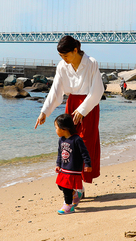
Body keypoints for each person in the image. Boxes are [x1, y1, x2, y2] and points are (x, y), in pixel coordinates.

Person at [35, 35, 104, 196]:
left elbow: (98, 90)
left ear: (75, 50)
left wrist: (83, 109)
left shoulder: (91, 63)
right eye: (60, 56)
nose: (63, 59)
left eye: (66, 55)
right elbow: (56, 90)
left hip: (89, 105)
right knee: (70, 145)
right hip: (72, 104)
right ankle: (78, 188)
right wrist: (44, 111)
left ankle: (78, 187)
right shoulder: (62, 66)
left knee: (84, 144)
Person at [54, 113, 92, 214]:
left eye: (56, 128)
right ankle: (75, 194)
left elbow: (85, 153)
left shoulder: (77, 140)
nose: (55, 130)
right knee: (60, 185)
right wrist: (58, 164)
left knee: (66, 188)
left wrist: (88, 164)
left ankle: (68, 206)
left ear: (64, 128)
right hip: (64, 168)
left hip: (73, 169)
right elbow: (59, 154)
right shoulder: (61, 140)